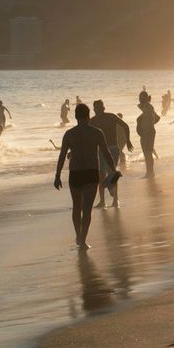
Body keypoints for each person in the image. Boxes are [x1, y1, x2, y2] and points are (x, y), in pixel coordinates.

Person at [54, 103, 119, 248]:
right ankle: (83, 240)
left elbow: (62, 155)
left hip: (75, 173)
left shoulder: (69, 134)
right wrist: (113, 170)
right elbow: (106, 153)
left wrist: (57, 175)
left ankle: (78, 234)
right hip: (91, 173)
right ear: (88, 115)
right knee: (87, 209)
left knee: (77, 206)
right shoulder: (96, 132)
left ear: (76, 116)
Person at [90, 100, 132, 208]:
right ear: (94, 109)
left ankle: (115, 200)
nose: (97, 110)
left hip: (113, 148)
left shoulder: (111, 117)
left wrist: (128, 141)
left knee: (111, 173)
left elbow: (125, 126)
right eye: (96, 108)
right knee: (101, 175)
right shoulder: (92, 121)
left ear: (103, 108)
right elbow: (85, 135)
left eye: (99, 108)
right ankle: (103, 201)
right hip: (101, 150)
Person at [136, 95, 161, 177]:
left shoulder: (147, 107)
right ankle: (150, 172)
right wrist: (150, 124)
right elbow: (157, 118)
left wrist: (148, 125)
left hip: (147, 132)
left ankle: (150, 172)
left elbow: (140, 106)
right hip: (148, 131)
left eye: (140, 97)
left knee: (147, 153)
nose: (139, 99)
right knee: (148, 152)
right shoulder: (149, 107)